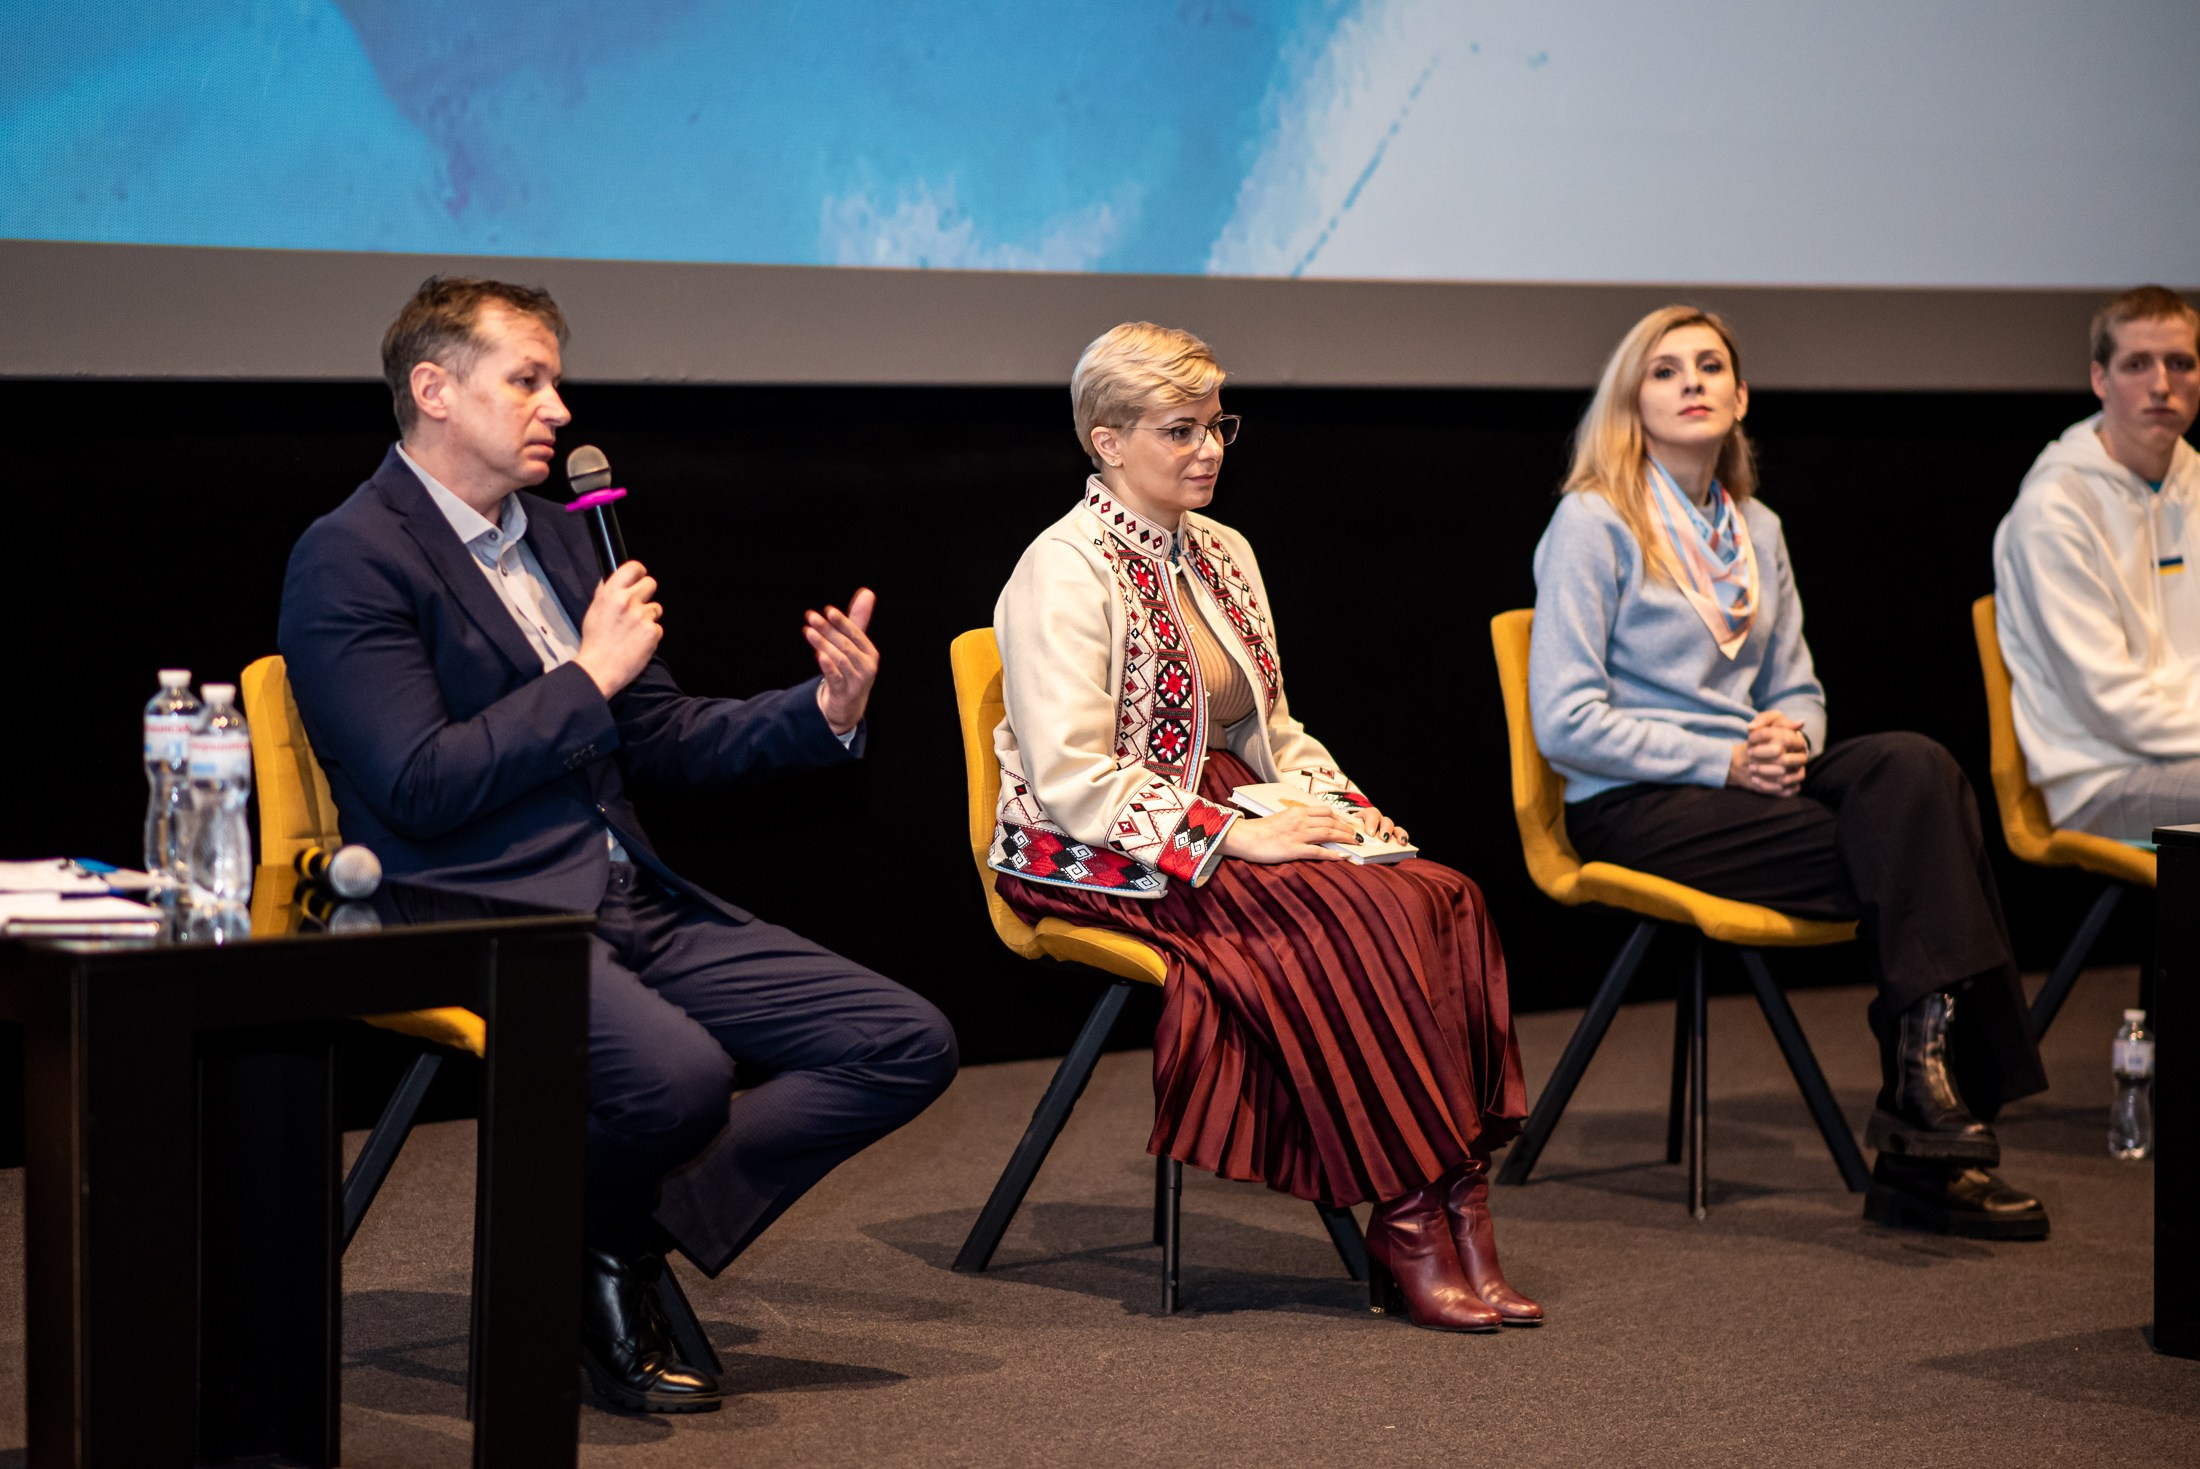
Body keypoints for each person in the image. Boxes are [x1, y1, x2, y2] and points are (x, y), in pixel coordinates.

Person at [278, 277, 957, 1413]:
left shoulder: (559, 536)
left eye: (555, 377)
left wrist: (822, 710)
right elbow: (417, 782)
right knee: (677, 1077)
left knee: (900, 1038)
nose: (559, 406)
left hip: (628, 891)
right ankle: (595, 1240)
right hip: (468, 901)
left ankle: (607, 1236)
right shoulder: (351, 554)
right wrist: (585, 675)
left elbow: (660, 734)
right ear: (434, 391)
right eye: (527, 379)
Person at [988, 322, 1535, 1332]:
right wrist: (1232, 835)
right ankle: (1407, 1216)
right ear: (1105, 439)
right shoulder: (1060, 569)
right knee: (1344, 915)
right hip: (1091, 840)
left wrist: (1340, 808)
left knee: (1434, 891)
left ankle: (1461, 1197)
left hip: (1231, 800)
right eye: (1180, 428)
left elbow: (1266, 726)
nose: (1209, 449)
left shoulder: (1225, 550)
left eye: (1216, 426)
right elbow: (1069, 775)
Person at [1528, 305, 2050, 1239]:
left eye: (1709, 366)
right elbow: (1565, 723)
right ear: (1631, 401)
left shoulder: (1754, 527)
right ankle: (1927, 1128)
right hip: (1640, 799)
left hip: (1757, 784)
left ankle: (1927, 1108)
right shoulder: (1594, 521)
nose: (1691, 382)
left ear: (1739, 397)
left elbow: (1799, 687)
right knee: (1922, 848)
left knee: (1916, 767)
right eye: (1665, 370)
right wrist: (1721, 756)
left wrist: (1790, 740)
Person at [1993, 286, 2200, 840]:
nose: (2162, 384)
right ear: (2099, 380)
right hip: (2101, 777)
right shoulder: (2054, 508)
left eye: (2180, 363)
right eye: (2138, 364)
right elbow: (2108, 703)